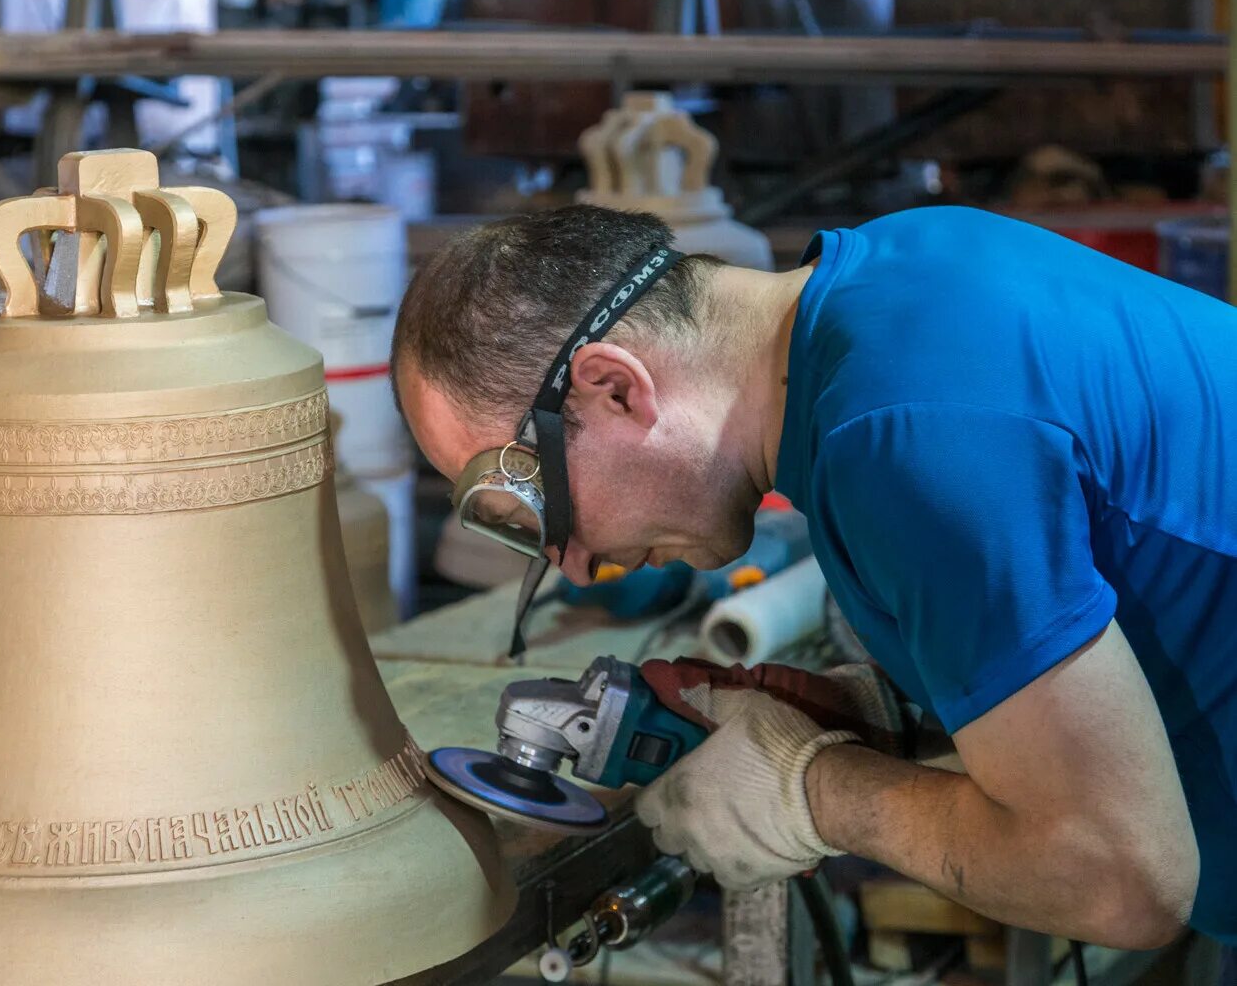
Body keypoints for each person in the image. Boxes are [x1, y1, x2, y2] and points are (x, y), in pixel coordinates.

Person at [389, 204, 1236, 949]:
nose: (573, 566)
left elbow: (1119, 880)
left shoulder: (898, 438)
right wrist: (895, 719)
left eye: (534, 513)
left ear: (615, 389)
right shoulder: (901, 267)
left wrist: (817, 792)